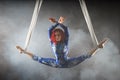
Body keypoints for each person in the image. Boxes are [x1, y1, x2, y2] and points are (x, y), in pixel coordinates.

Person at [16, 16, 107, 68]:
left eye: (59, 35)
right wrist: (56, 22)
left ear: (62, 36)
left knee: (85, 56)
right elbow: (50, 30)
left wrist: (59, 23)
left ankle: (98, 47)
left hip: (68, 63)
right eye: (55, 35)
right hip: (56, 63)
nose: (57, 36)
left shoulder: (65, 41)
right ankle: (23, 51)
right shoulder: (52, 42)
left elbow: (66, 29)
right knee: (38, 59)